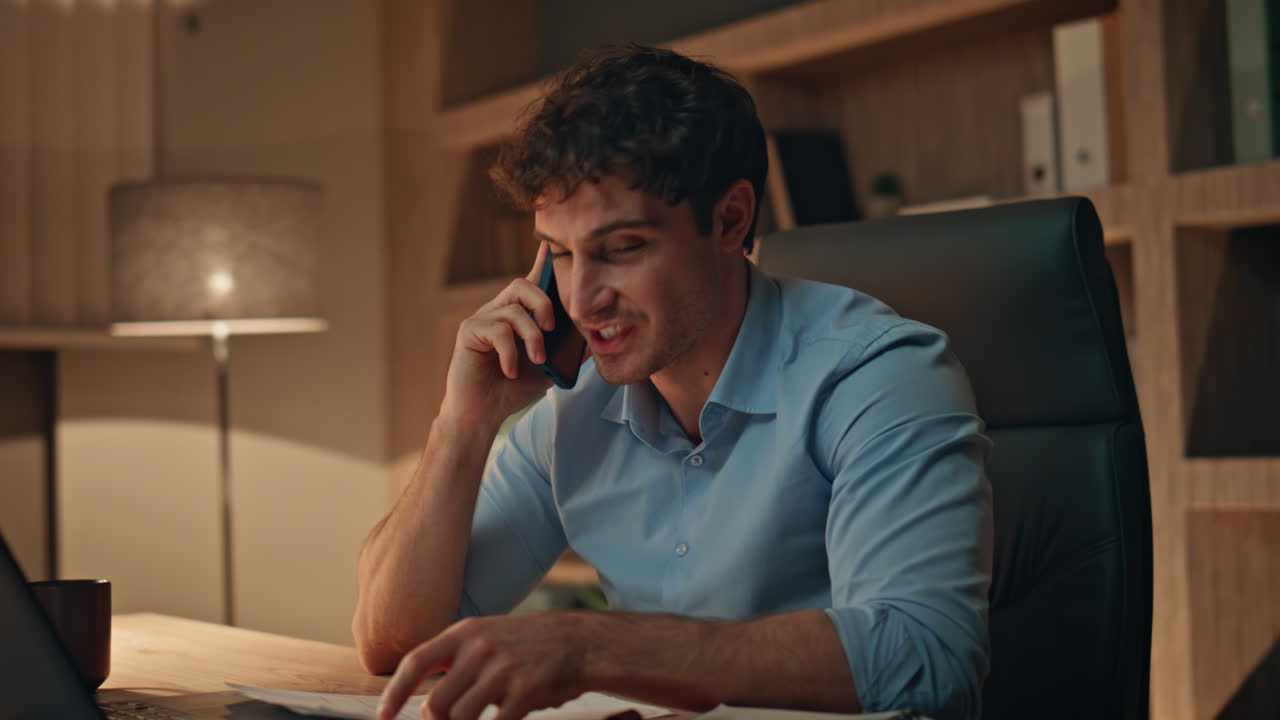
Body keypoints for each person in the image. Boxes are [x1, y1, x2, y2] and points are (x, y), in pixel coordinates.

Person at [355, 44, 993, 720]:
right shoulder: (570, 409)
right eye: (562, 254)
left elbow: (927, 660)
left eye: (621, 249)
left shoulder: (877, 376)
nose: (580, 299)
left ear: (730, 220)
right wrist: (463, 424)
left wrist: (591, 645)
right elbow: (400, 648)